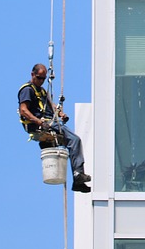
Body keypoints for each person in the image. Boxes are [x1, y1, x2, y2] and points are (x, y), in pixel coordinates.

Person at [18, 64, 92, 192]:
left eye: (43, 79)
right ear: (32, 75)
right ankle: (78, 174)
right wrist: (40, 122)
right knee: (75, 140)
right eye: (39, 78)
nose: (41, 81)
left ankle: (78, 180)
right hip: (40, 124)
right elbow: (23, 110)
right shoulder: (27, 90)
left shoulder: (42, 91)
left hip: (50, 122)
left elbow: (51, 105)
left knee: (73, 141)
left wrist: (61, 114)